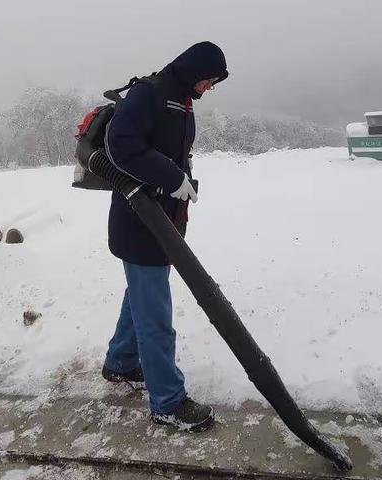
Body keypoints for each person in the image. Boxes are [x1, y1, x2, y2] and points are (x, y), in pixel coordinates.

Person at [101, 42, 228, 432]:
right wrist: (171, 178)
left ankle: (121, 362)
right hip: (139, 219)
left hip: (160, 218)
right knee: (155, 312)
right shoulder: (150, 92)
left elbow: (170, 150)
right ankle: (168, 402)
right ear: (195, 70)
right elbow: (120, 145)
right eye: (210, 79)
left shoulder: (180, 99)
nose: (209, 87)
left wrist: (183, 179)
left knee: (141, 294)